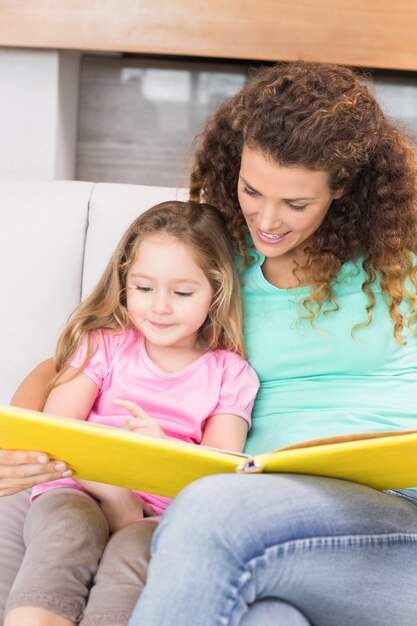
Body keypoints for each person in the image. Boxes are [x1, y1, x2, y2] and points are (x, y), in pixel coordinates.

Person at [2, 59, 417, 626]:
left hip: (392, 515)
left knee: (208, 512)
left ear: (342, 189)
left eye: (296, 204)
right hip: (262, 511)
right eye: (252, 190)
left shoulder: (401, 265)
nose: (266, 220)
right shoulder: (220, 263)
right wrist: (19, 449)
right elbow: (72, 358)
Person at [3, 200, 259, 626]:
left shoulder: (231, 374)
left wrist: (161, 454)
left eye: (182, 293)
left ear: (216, 290)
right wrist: (116, 493)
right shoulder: (103, 344)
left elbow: (220, 476)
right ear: (124, 285)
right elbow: (55, 434)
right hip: (78, 488)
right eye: (143, 288)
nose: (159, 307)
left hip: (161, 515)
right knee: (66, 534)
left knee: (134, 557)